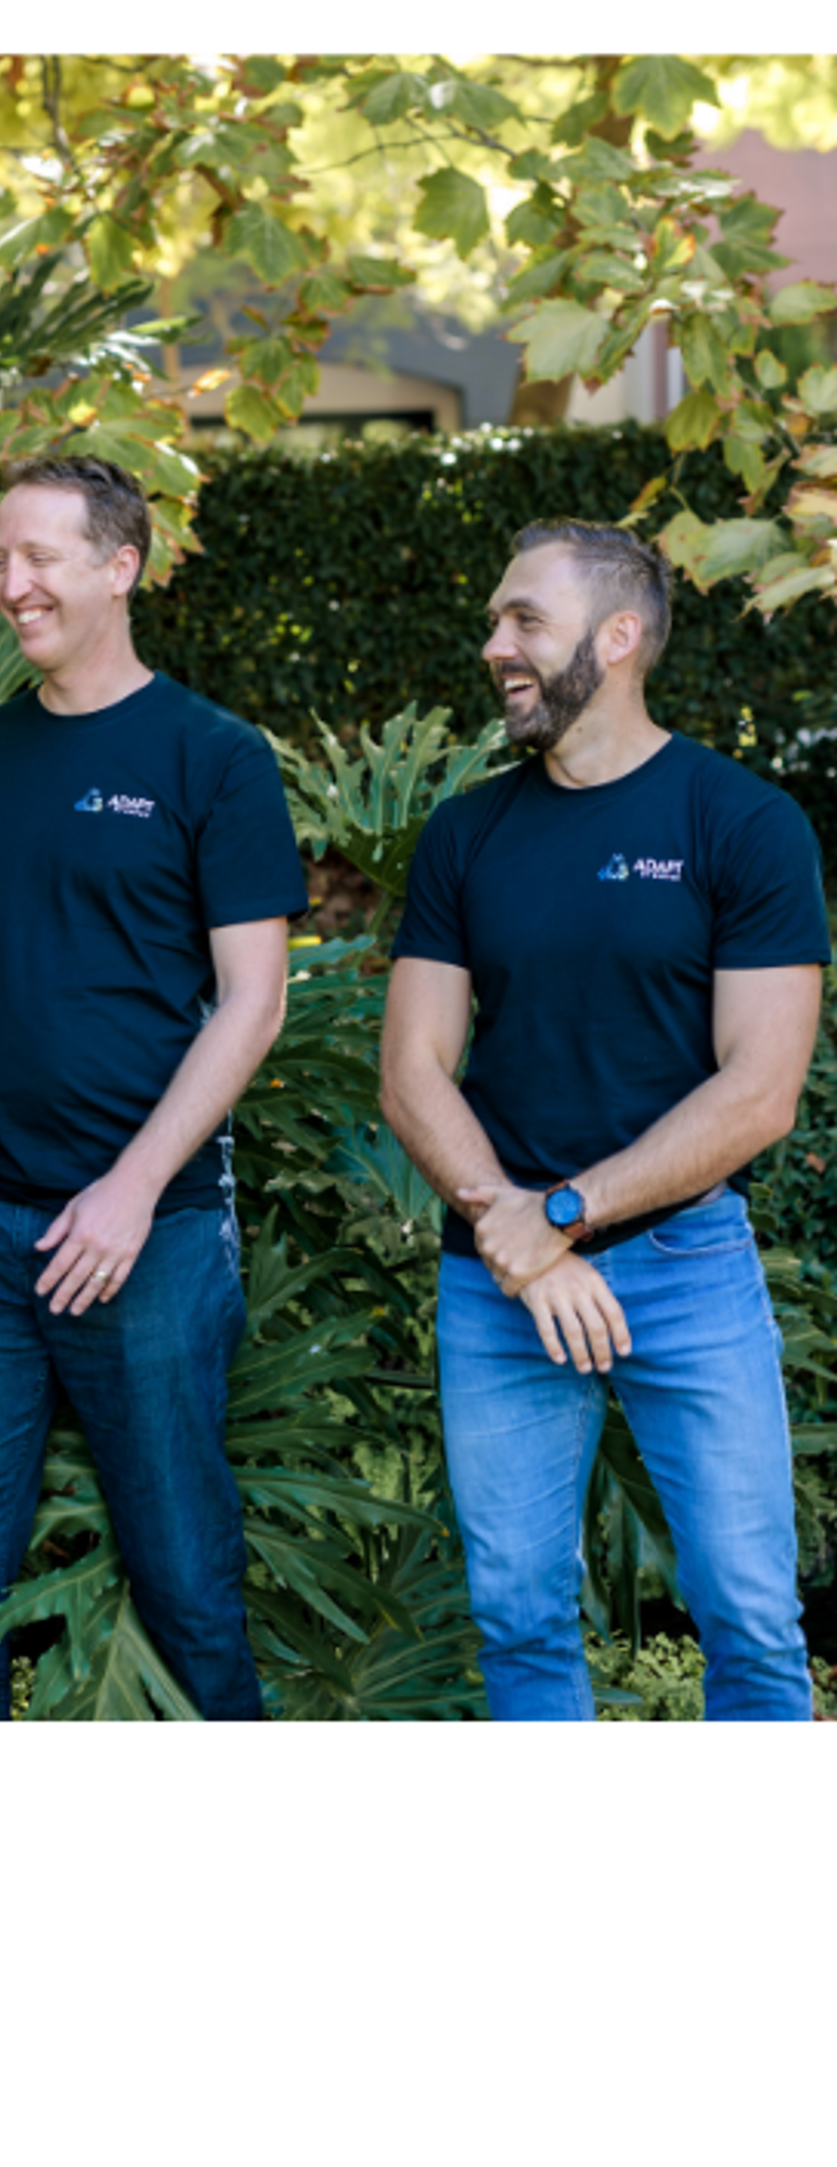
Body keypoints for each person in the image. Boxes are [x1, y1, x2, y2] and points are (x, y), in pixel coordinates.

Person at [0, 452, 303, 1719]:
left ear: (121, 568)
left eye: (40, 557)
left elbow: (254, 999)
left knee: (182, 1570)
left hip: (145, 1234)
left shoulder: (213, 756)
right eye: (0, 558)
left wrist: (130, 1188)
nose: (11, 584)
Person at [380, 519, 830, 1720]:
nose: (495, 645)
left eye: (525, 619)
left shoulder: (742, 825)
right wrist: (514, 1235)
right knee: (519, 1618)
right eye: (495, 620)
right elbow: (413, 1068)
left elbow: (761, 1088)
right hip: (499, 1278)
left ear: (619, 636)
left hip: (682, 1264)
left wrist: (566, 1215)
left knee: (749, 1616)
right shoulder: (467, 832)